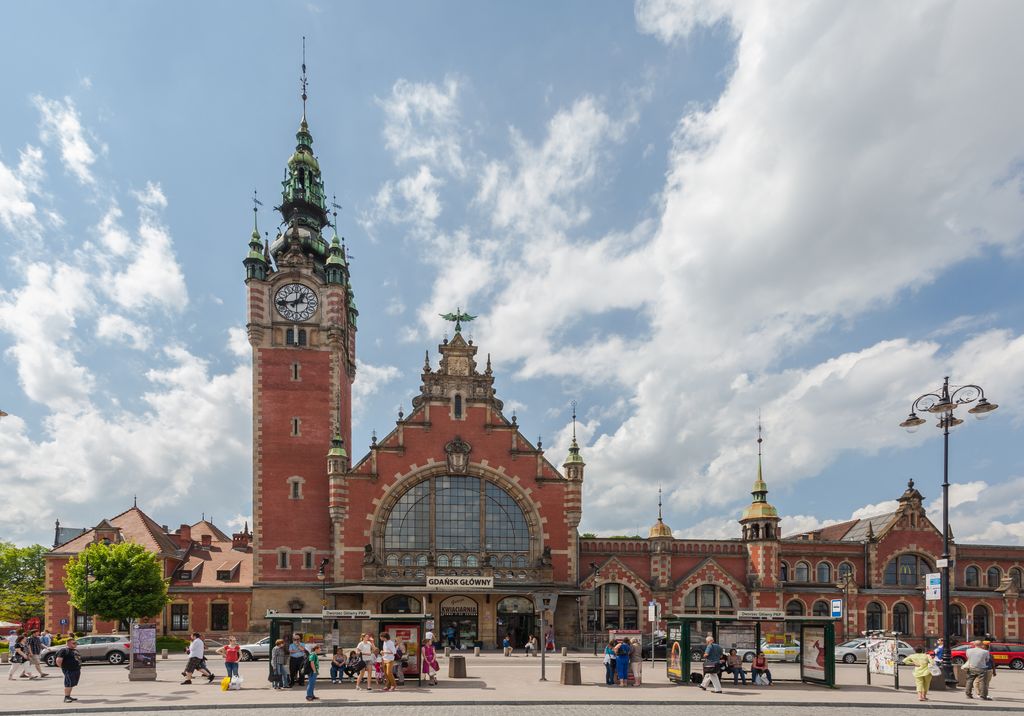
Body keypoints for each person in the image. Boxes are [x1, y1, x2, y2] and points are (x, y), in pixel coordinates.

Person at [55, 637, 81, 703]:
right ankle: (66, 697)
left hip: (76, 669)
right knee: (68, 683)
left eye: (76, 643)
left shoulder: (75, 650)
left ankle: (69, 696)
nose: (76, 644)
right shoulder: (64, 650)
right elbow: (58, 660)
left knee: (72, 683)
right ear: (68, 643)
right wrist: (63, 668)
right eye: (74, 643)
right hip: (69, 670)